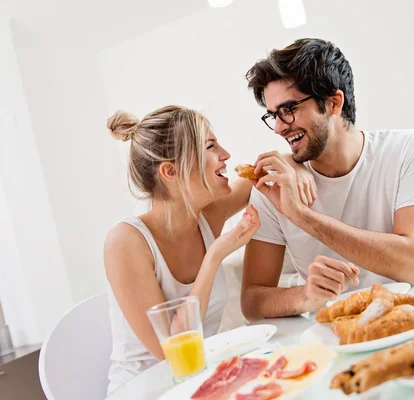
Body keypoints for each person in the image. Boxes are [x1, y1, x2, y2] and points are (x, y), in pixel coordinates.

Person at [103, 105, 316, 393]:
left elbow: (265, 171)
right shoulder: (126, 242)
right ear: (171, 171)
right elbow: (172, 352)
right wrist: (215, 255)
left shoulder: (207, 216)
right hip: (146, 391)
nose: (226, 155)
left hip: (199, 384)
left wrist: (296, 169)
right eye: (210, 146)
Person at [241, 38, 414, 321]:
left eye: (289, 110)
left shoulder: (409, 149)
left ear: (333, 102)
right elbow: (252, 301)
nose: (278, 128)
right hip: (331, 337)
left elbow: (413, 264)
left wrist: (301, 215)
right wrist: (305, 296)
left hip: (413, 318)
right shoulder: (274, 186)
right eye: (273, 115)